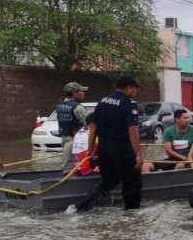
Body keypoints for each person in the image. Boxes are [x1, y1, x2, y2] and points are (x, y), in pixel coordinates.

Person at [74, 75, 143, 211]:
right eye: (135, 88)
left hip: (104, 152)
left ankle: (82, 208)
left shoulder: (103, 102)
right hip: (123, 152)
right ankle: (132, 216)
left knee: (108, 183)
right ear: (129, 88)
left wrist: (90, 149)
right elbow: (133, 130)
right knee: (132, 184)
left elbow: (93, 126)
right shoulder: (129, 104)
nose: (136, 91)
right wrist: (138, 154)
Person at [57, 81, 89, 175]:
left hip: (64, 138)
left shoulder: (60, 105)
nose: (84, 93)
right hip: (75, 141)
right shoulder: (77, 107)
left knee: (67, 164)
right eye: (81, 91)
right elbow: (89, 123)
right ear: (75, 93)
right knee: (75, 166)